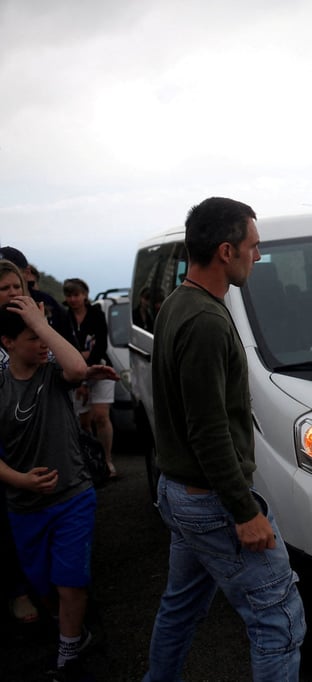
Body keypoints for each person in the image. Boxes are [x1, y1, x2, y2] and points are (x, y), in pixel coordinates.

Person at [144, 197, 305, 682]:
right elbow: (208, 430)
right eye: (253, 247)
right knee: (278, 619)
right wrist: (244, 511)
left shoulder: (179, 303)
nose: (258, 256)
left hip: (180, 493)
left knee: (182, 606)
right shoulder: (207, 323)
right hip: (211, 502)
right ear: (225, 251)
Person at [0, 296, 118, 679]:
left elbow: (77, 367)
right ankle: (72, 629)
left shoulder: (52, 374)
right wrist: (20, 479)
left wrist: (41, 323)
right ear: (7, 342)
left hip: (72, 496)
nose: (42, 343)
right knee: (43, 584)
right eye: (32, 337)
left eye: (44, 335)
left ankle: (68, 653)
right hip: (24, 505)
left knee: (70, 581)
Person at [0, 262, 39, 625]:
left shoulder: (37, 326)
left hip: (36, 437)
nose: (12, 294)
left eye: (16, 287)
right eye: (4, 289)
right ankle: (19, 591)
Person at [62, 278, 118, 479]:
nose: (73, 299)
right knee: (83, 421)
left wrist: (86, 361)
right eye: (69, 295)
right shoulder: (64, 317)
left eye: (76, 295)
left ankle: (107, 460)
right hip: (75, 372)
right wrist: (80, 368)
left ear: (84, 295)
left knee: (101, 416)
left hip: (100, 368)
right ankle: (89, 459)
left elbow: (101, 344)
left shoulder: (96, 314)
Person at [0, 246, 74, 344]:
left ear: (26, 272)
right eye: (5, 288)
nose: (13, 292)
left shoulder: (48, 304)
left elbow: (70, 345)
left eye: (12, 270)